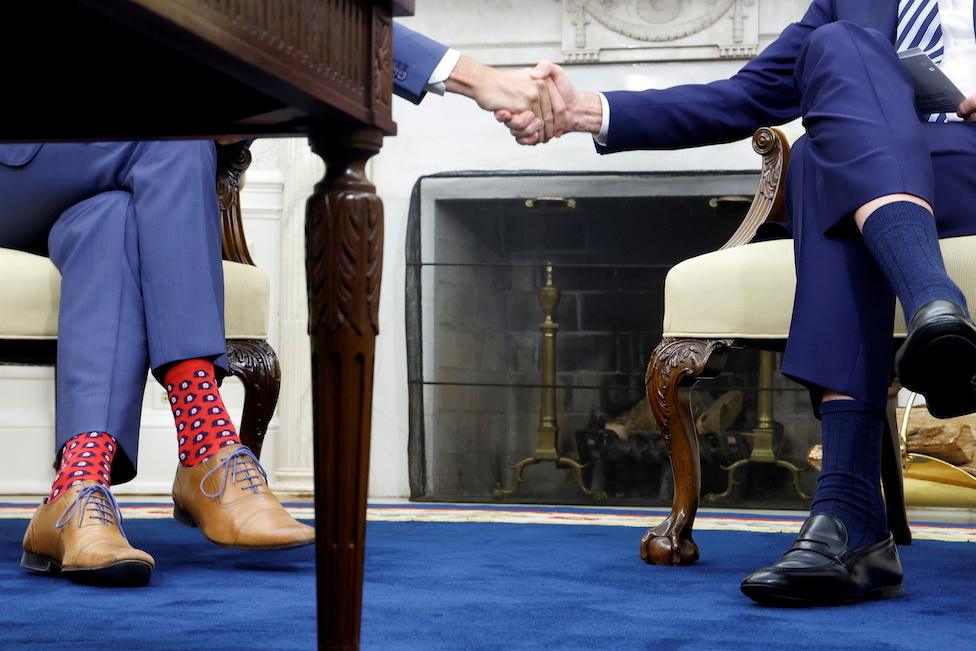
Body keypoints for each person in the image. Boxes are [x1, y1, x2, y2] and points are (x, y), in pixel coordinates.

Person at [12, 23, 552, 588]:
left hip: (105, 179)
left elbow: (307, 13)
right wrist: (483, 82)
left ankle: (74, 496)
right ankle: (208, 444)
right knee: (173, 136)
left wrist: (471, 76)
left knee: (113, 223)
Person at [494, 0, 976, 605]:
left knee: (830, 172)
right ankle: (935, 307)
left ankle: (851, 513)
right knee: (836, 70)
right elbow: (744, 97)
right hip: (883, 169)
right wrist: (584, 111)